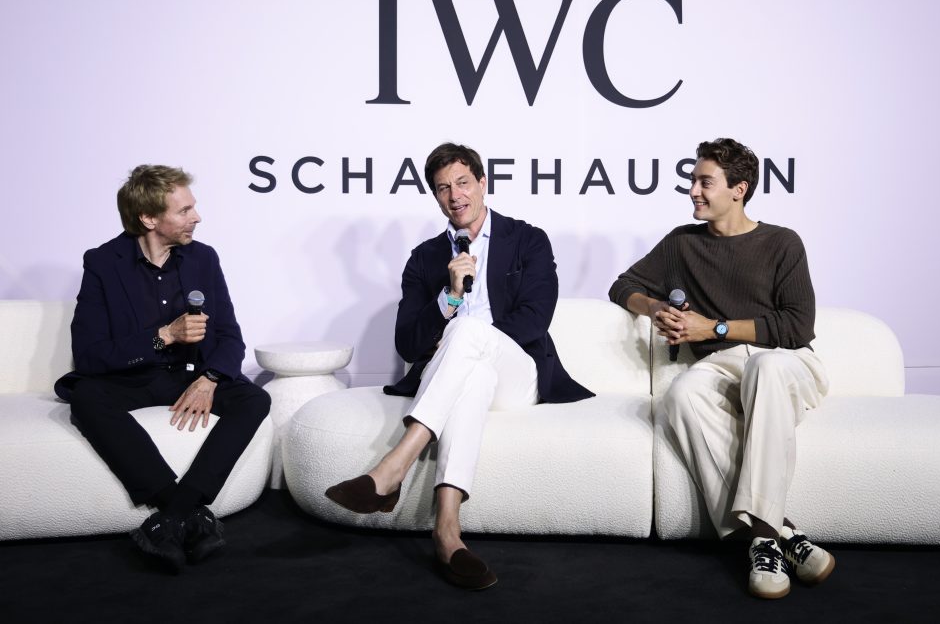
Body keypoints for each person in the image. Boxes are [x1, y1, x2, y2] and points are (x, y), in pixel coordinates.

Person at [325, 142, 593, 590]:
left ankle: (392, 468)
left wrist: (470, 335)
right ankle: (448, 533)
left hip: (517, 372)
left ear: (483, 183)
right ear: (435, 196)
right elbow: (409, 345)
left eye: (463, 183)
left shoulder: (527, 240)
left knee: (469, 333)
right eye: (443, 188)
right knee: (472, 373)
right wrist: (449, 296)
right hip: (463, 374)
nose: (455, 195)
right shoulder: (424, 258)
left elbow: (535, 319)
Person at [609, 138, 834, 600]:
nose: (693, 190)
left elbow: (796, 325)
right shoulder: (682, 243)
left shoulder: (782, 242)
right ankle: (781, 534)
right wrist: (655, 308)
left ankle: (763, 539)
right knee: (681, 395)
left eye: (704, 182)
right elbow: (622, 285)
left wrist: (711, 326)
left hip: (786, 359)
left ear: (739, 189)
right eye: (693, 180)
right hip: (722, 363)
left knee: (765, 368)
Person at [55, 165, 270, 573]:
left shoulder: (203, 258)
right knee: (86, 396)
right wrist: (165, 336)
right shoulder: (104, 263)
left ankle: (169, 519)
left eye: (193, 207)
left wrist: (209, 379)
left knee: (254, 399)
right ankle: (188, 513)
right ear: (149, 218)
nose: (197, 217)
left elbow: (229, 335)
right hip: (134, 379)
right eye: (184, 210)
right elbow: (90, 355)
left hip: (192, 376)